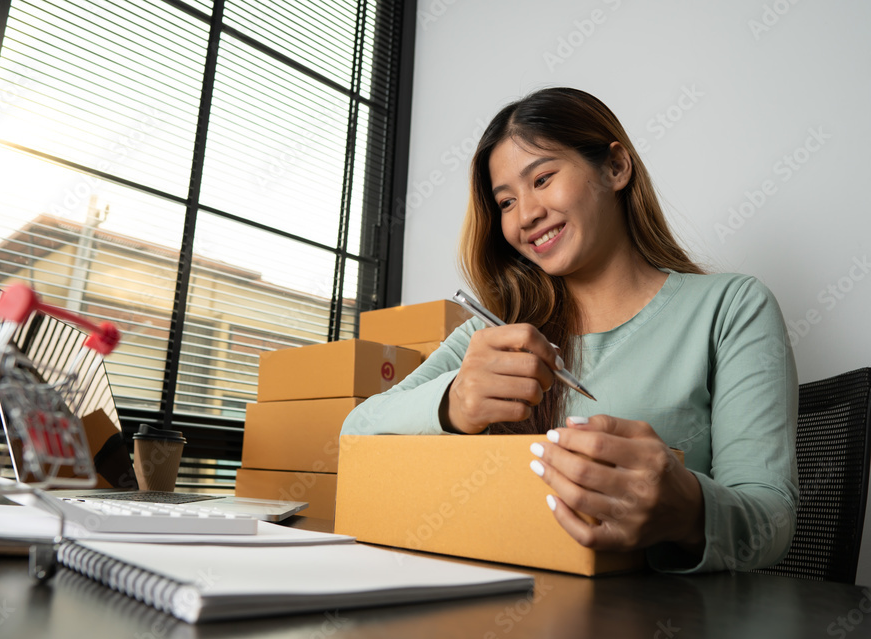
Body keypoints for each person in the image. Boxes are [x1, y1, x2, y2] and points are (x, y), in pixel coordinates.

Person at [341, 87, 798, 573]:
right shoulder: (496, 337)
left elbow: (772, 519)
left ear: (615, 168)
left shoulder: (731, 308)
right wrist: (453, 402)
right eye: (506, 202)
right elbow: (355, 435)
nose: (526, 215)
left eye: (542, 178)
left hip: (664, 627)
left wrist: (687, 508)